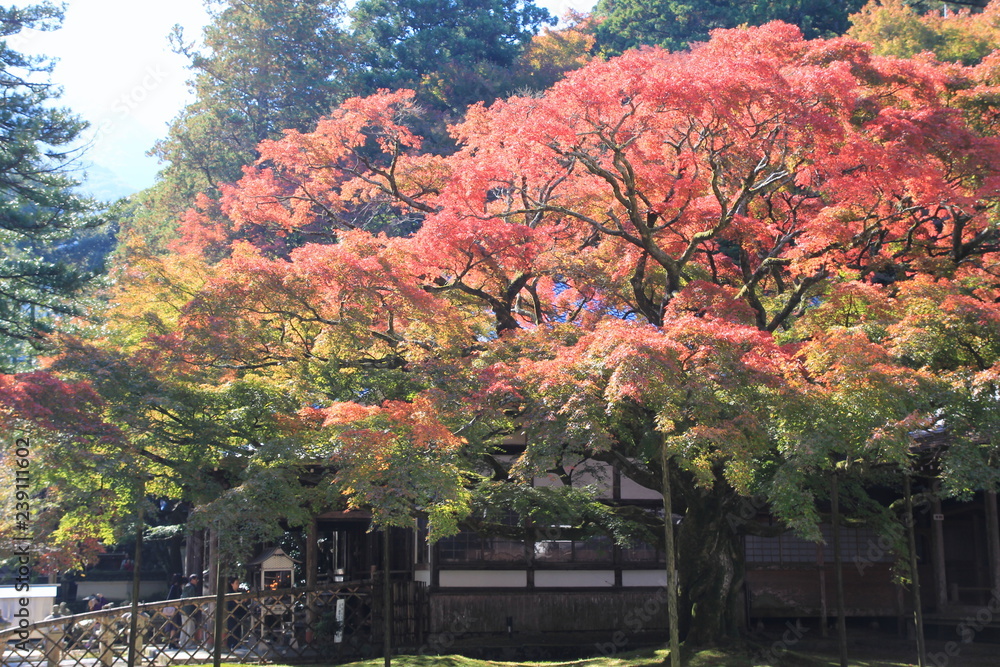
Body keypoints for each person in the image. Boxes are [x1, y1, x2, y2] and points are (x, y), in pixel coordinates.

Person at [179, 573, 201, 648]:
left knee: (184, 627)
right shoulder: (191, 588)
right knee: (190, 626)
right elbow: (193, 599)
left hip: (183, 610)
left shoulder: (186, 587)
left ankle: (182, 642)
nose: (197, 581)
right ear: (192, 580)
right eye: (196, 579)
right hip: (188, 610)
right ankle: (189, 644)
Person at [225, 576, 246, 650]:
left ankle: (237, 643)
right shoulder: (230, 593)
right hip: (232, 613)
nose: (238, 585)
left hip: (239, 613)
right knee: (232, 629)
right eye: (236, 583)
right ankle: (231, 644)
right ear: (232, 584)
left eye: (238, 583)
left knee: (238, 629)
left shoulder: (239, 592)